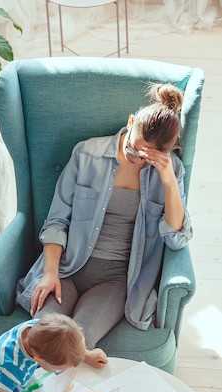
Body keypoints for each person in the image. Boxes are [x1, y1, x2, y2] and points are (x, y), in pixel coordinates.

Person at [16, 83, 192, 352]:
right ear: (130, 123)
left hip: (116, 280)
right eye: (135, 150)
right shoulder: (87, 154)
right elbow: (56, 221)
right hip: (67, 267)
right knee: (43, 336)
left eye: (149, 159)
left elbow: (177, 238)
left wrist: (168, 180)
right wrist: (50, 273)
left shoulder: (169, 171)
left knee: (78, 343)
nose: (138, 161)